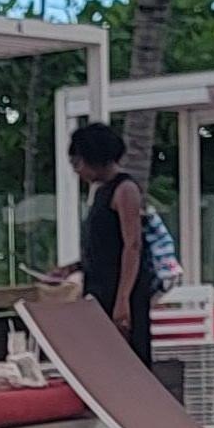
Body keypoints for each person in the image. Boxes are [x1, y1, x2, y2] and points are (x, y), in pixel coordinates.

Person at [66, 120, 155, 365]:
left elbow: (132, 245)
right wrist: (74, 267)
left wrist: (123, 298)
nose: (78, 171)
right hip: (99, 285)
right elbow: (105, 244)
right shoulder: (101, 192)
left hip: (119, 287)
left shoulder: (125, 189)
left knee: (126, 359)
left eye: (78, 163)